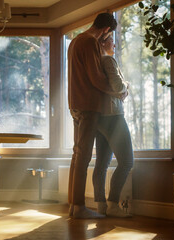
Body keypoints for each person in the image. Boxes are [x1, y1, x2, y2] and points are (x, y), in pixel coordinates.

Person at [67, 13, 123, 219]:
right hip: (88, 104)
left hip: (75, 103)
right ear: (106, 30)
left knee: (77, 155)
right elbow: (96, 78)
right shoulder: (90, 41)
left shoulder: (75, 41)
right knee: (83, 156)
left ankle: (73, 205)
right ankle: (80, 207)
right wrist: (119, 91)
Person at [93, 35, 133, 218]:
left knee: (101, 164)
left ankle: (101, 206)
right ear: (102, 43)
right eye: (110, 40)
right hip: (114, 117)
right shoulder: (108, 60)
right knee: (127, 161)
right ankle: (113, 205)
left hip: (100, 118)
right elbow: (118, 87)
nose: (114, 44)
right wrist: (126, 85)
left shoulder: (94, 63)